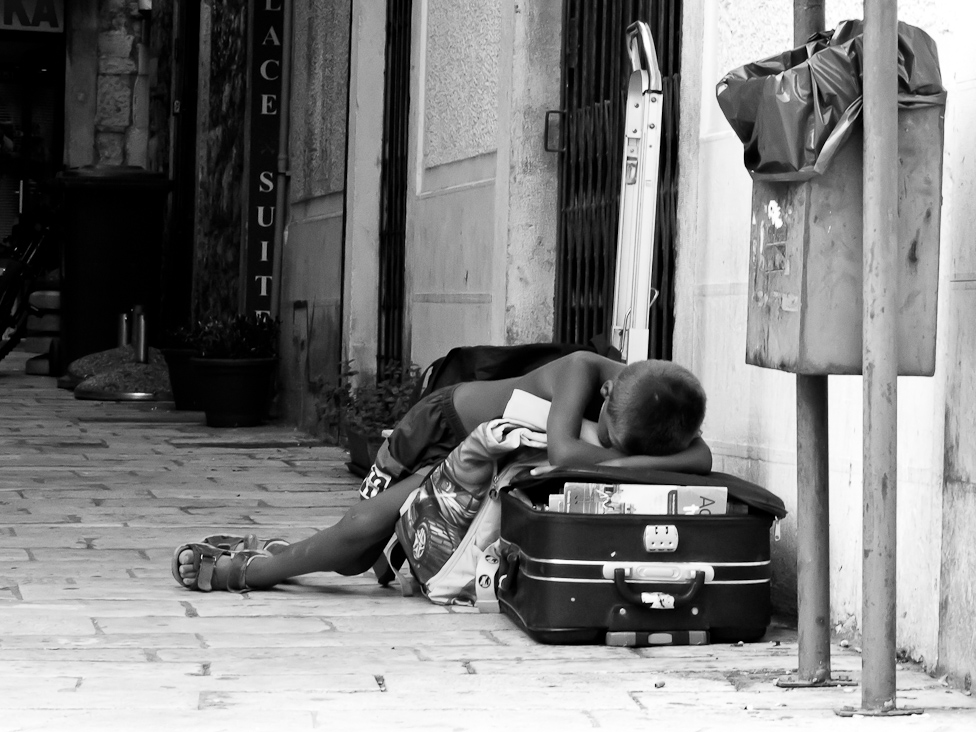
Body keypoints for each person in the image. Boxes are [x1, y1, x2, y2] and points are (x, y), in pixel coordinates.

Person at [172, 351, 711, 592]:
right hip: (442, 426)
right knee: (362, 532)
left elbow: (701, 458)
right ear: (608, 392)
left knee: (359, 553)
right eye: (611, 437)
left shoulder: (656, 408)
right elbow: (569, 454)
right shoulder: (583, 370)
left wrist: (625, 452)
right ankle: (250, 572)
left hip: (479, 457)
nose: (611, 451)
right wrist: (629, 459)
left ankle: (275, 559)